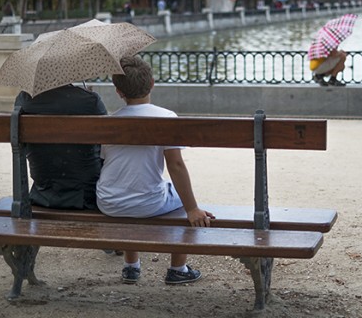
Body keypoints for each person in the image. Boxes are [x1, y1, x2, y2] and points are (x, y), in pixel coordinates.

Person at [96, 55, 215, 285]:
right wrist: (192, 208)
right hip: (146, 203)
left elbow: (107, 161)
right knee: (182, 200)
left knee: (132, 187)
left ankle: (131, 267)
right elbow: (176, 165)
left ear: (119, 92)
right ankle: (178, 269)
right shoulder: (166, 117)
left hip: (108, 201)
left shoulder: (111, 121)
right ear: (152, 82)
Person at [14, 84, 107, 210]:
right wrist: (85, 94)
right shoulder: (90, 101)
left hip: (42, 193)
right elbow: (105, 141)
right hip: (85, 195)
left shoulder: (24, 100)